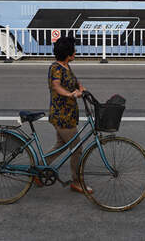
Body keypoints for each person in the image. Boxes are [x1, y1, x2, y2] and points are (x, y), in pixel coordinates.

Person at [44, 36, 93, 194]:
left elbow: (74, 82)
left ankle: (38, 168)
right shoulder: (56, 68)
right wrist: (71, 95)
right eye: (73, 48)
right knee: (77, 148)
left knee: (61, 145)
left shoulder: (66, 66)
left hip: (68, 115)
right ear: (67, 53)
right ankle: (77, 182)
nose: (75, 51)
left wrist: (81, 88)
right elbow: (56, 86)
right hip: (61, 116)